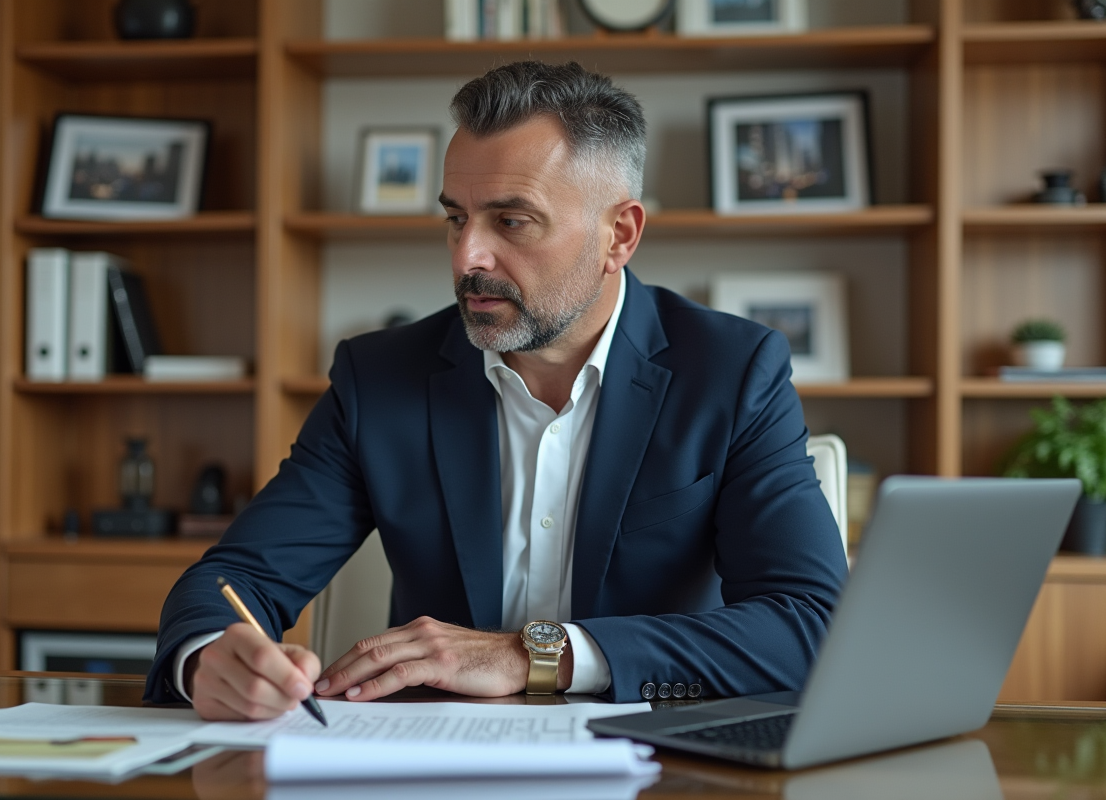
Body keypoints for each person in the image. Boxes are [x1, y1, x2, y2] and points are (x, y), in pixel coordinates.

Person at [144, 61, 848, 721]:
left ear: (619, 235)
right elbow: (236, 577)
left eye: (511, 221)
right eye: (456, 217)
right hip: (437, 764)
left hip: (655, 763)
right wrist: (208, 657)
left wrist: (534, 655)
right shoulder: (379, 378)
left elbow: (808, 625)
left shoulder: (731, 371)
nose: (467, 257)